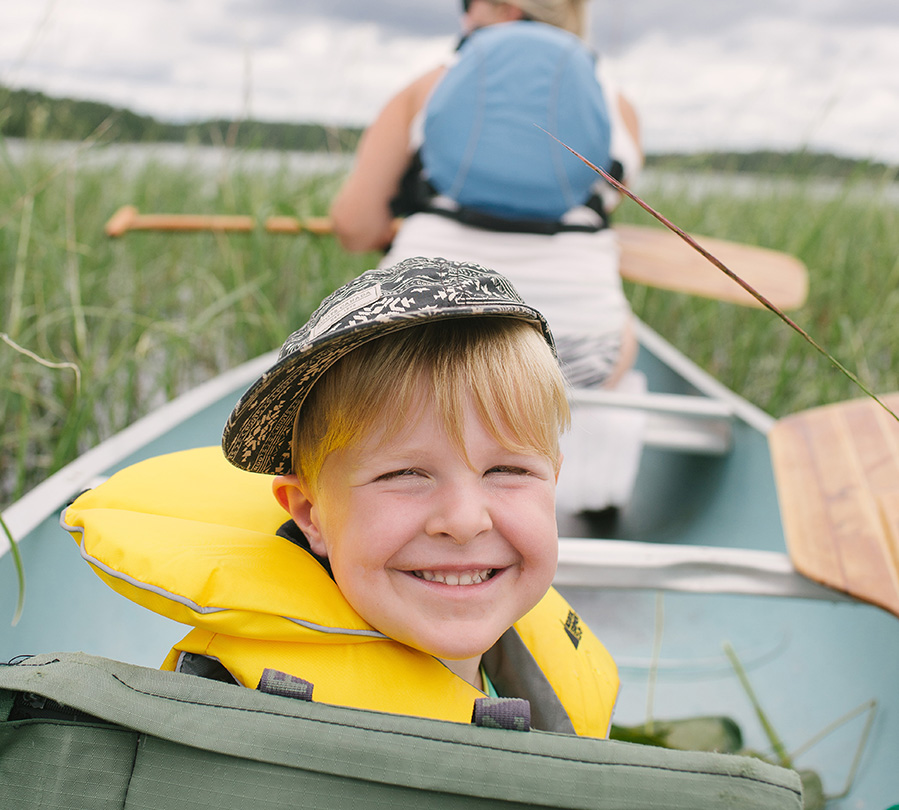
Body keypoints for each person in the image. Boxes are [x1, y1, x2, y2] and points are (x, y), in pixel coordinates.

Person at [63, 256, 619, 737]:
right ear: (311, 514)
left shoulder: (540, 670)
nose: (465, 521)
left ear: (554, 482)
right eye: (405, 474)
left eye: (507, 469)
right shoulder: (234, 712)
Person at [330, 0, 643, 393]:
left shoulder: (430, 85)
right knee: (625, 329)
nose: (463, 16)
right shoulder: (617, 104)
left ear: (505, 9)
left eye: (468, 4)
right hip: (580, 356)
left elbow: (354, 227)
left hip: (414, 337)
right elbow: (602, 208)